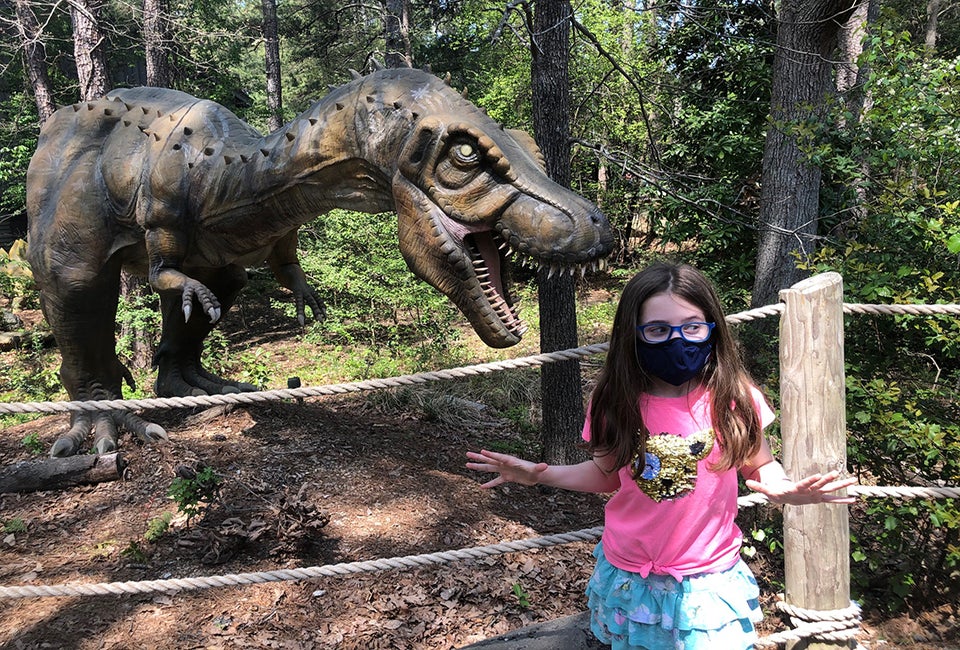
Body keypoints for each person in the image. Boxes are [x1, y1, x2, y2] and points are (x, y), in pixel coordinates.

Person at [466, 261, 856, 650]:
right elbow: (606, 474)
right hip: (628, 576)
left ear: (712, 328)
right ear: (631, 335)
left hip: (708, 579)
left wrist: (782, 488)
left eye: (691, 327)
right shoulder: (613, 402)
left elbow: (760, 464)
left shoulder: (734, 397)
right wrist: (540, 475)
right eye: (656, 330)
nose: (677, 340)